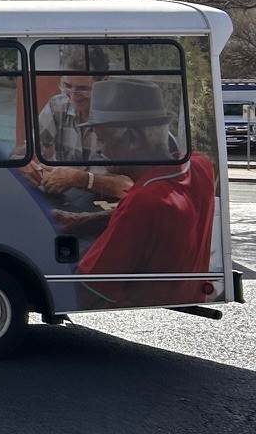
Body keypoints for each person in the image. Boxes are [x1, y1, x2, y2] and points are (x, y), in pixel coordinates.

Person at [64, 78, 217, 301]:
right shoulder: (201, 165)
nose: (98, 149)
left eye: (101, 137)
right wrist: (84, 220)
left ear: (133, 138)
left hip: (149, 313)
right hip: (183, 299)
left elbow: (87, 288)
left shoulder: (143, 202)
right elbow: (156, 223)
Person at [25, 46, 131, 202]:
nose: (73, 96)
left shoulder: (122, 118)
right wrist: (22, 162)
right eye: (67, 86)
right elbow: (27, 149)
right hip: (64, 200)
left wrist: (80, 179)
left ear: (104, 82)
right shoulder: (57, 106)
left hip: (107, 206)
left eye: (83, 89)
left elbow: (128, 186)